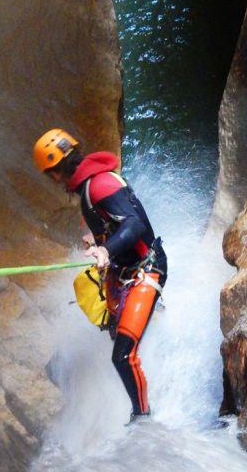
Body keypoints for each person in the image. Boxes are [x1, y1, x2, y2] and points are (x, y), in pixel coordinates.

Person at [33, 128, 167, 424]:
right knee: (112, 329)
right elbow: (119, 222)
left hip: (146, 270)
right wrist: (99, 242)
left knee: (122, 355)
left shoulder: (98, 185)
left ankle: (142, 418)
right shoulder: (93, 184)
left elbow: (133, 226)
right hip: (127, 272)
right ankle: (152, 326)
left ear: (56, 174)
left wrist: (106, 249)